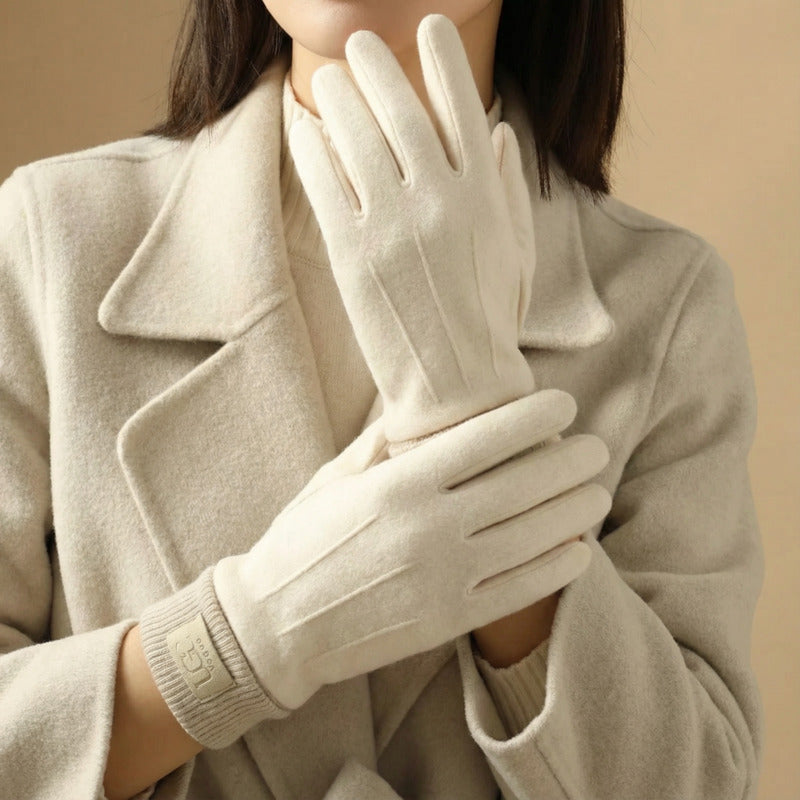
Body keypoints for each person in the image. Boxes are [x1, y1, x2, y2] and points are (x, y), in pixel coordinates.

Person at [0, 1, 765, 799]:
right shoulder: (51, 240)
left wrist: (474, 404)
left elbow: (693, 783)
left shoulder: (667, 303)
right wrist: (258, 632)